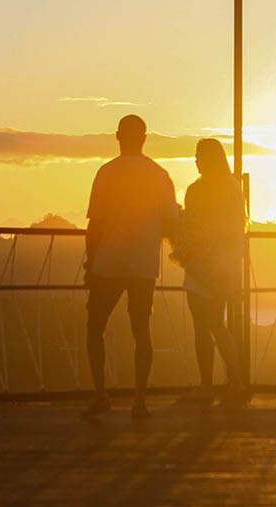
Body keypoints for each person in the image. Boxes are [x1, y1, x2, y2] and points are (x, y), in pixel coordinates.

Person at [82, 114, 180, 418]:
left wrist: (90, 263)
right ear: (145, 138)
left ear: (117, 137)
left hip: (108, 261)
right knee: (142, 329)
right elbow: (171, 222)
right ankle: (139, 400)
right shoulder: (160, 175)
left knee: (94, 327)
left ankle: (101, 395)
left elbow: (94, 225)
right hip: (143, 262)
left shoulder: (106, 173)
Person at [171, 138, 248, 405]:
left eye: (198, 156)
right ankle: (236, 381)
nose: (195, 160)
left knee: (201, 326)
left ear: (207, 159)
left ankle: (206, 385)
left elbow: (192, 228)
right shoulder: (233, 189)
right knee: (218, 323)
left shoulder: (197, 190)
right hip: (225, 266)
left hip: (200, 263)